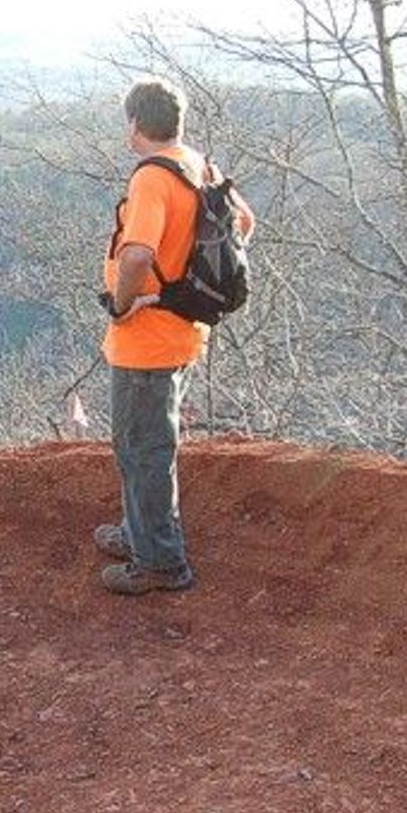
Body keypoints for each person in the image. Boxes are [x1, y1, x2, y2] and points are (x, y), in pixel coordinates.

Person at [94, 78, 254, 595]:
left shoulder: (151, 179)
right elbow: (244, 223)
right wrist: (185, 283)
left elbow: (137, 255)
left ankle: (160, 562)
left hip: (147, 340)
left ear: (135, 124)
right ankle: (141, 533)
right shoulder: (198, 165)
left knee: (143, 448)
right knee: (145, 442)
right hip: (181, 330)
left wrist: (122, 306)